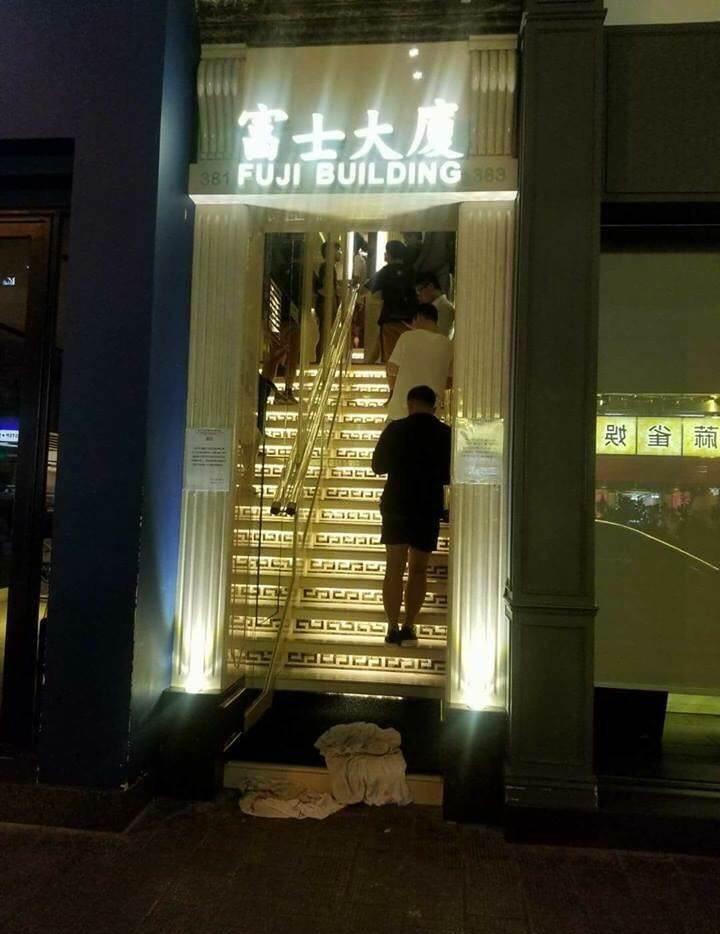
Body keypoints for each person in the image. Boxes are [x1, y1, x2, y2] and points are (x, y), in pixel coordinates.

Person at [371, 385, 451, 647]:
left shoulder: (395, 429)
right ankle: (409, 626)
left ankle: (391, 627)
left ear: (409, 404)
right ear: (434, 407)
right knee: (418, 569)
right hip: (427, 505)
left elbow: (377, 466)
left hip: (396, 503)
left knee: (394, 567)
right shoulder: (446, 433)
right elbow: (450, 474)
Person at [385, 303, 452, 422]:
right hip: (431, 413)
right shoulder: (447, 345)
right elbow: (450, 381)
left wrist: (393, 389)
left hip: (401, 411)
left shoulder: (407, 337)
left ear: (419, 317)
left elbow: (391, 369)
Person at [368, 239, 417, 362]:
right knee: (407, 357)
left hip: (389, 318)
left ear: (389, 254)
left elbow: (368, 289)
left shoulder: (385, 271)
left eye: (386, 252)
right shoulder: (411, 271)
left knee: (390, 357)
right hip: (410, 321)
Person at [313, 240, 341, 363]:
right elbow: (325, 288)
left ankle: (323, 359)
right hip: (326, 303)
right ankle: (322, 360)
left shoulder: (329, 267)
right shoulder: (327, 267)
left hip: (327, 302)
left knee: (326, 332)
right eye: (338, 250)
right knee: (325, 332)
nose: (340, 253)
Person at [416, 271, 455, 339]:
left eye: (419, 291)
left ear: (430, 286)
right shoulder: (436, 307)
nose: (419, 297)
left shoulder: (444, 308)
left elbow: (439, 338)